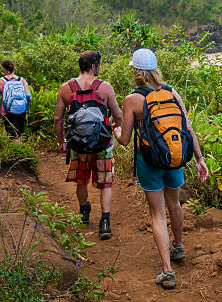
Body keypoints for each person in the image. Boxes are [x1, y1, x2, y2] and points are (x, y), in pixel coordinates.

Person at [113, 48, 208, 289]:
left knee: (157, 213)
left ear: (136, 72)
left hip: (150, 163)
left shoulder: (132, 100)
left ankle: (167, 271)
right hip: (175, 157)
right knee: (174, 204)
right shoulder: (172, 92)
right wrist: (199, 159)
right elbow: (188, 129)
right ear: (155, 69)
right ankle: (178, 247)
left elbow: (124, 140)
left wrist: (115, 130)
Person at [53, 50, 122, 240]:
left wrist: (62, 142)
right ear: (93, 66)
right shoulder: (105, 88)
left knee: (81, 180)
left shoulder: (66, 88)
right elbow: (118, 115)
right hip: (102, 143)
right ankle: (105, 222)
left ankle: (84, 212)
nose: (100, 67)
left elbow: (58, 118)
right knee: (105, 183)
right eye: (99, 64)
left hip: (78, 144)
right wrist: (114, 128)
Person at [0, 60, 31, 141]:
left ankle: (16, 151)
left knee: (13, 135)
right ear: (13, 68)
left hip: (7, 112)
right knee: (20, 134)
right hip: (21, 110)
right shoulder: (22, 80)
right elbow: (29, 97)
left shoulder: (0, 82)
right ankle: (21, 150)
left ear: (4, 69)